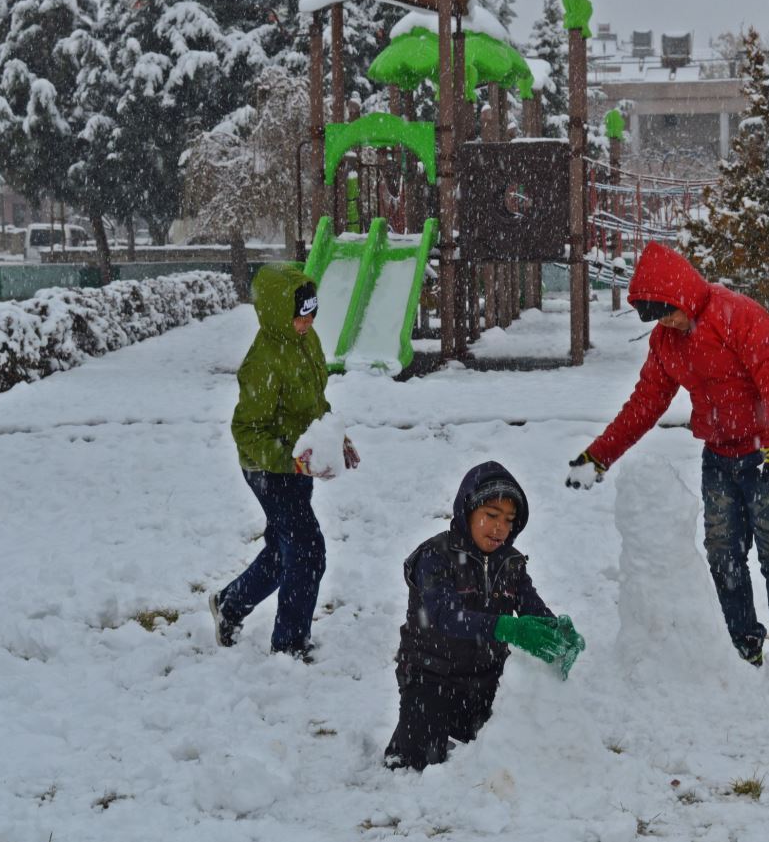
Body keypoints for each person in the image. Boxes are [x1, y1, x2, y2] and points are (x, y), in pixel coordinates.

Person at [564, 242, 769, 703]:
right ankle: (741, 643)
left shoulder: (738, 315)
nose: (666, 323)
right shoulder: (666, 343)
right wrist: (599, 454)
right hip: (720, 456)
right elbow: (645, 403)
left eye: (668, 313)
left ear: (682, 296)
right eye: (656, 317)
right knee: (723, 554)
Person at [385, 462, 584, 770]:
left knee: (514, 747)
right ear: (467, 511)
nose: (499, 527)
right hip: (431, 673)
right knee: (417, 761)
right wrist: (506, 627)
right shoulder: (435, 555)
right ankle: (417, 739)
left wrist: (556, 630)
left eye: (508, 519)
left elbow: (533, 608)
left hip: (487, 678)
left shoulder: (512, 563)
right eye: (491, 515)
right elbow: (445, 615)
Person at [209, 264, 357, 660]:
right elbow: (247, 431)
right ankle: (289, 644)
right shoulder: (264, 361)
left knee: (283, 549)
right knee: (308, 552)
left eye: (311, 314)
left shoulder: (306, 342)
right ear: (277, 312)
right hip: (267, 469)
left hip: (298, 464)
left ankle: (230, 605)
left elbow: (315, 401)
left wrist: (333, 439)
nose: (307, 323)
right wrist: (288, 461)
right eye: (299, 315)